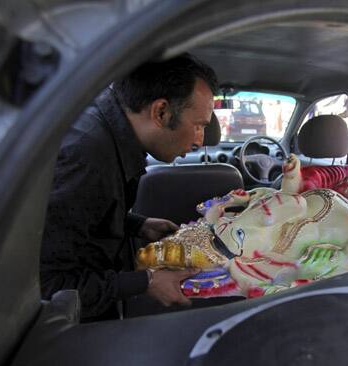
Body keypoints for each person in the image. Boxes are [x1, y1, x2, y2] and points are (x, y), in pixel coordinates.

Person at [40, 54, 217, 321]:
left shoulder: (106, 138)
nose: (199, 141)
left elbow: (83, 220)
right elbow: (47, 286)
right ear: (161, 112)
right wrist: (145, 281)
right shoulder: (86, 156)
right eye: (199, 126)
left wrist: (136, 224)